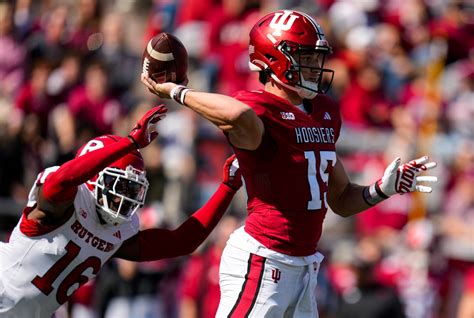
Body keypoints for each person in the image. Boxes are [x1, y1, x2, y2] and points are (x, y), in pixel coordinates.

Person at [142, 10, 438, 318]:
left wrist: (380, 190)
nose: (314, 66)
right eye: (305, 57)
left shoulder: (323, 111)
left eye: (315, 57)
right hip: (263, 260)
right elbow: (236, 115)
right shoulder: (260, 108)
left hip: (304, 267)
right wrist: (176, 92)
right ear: (273, 59)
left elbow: (340, 199)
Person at [0, 105, 243, 317]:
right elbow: (60, 181)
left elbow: (182, 242)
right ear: (94, 178)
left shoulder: (118, 232)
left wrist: (228, 187)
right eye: (120, 185)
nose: (125, 197)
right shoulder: (68, 200)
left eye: (132, 188)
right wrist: (129, 143)